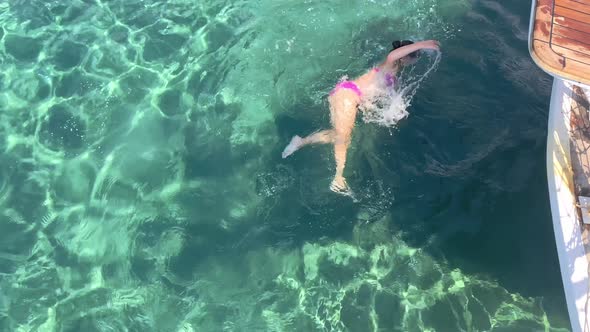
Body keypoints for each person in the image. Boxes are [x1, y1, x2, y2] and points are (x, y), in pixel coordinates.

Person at [281, 39, 441, 196]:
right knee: (343, 138)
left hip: (351, 97)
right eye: (417, 56)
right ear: (405, 57)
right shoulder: (390, 63)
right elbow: (393, 55)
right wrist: (423, 44)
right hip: (348, 96)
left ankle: (301, 141)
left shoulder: (395, 74)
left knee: (339, 134)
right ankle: (338, 176)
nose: (418, 59)